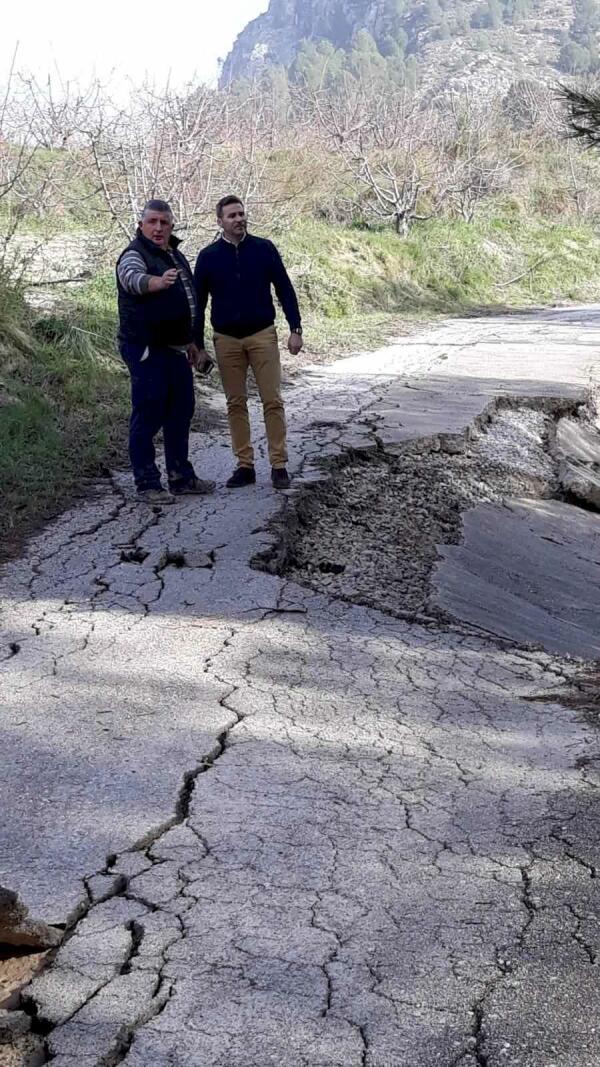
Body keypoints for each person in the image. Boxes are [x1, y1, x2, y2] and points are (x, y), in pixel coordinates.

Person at [193, 195, 303, 490]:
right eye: (232, 216)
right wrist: (198, 346)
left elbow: (284, 288)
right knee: (235, 403)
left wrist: (295, 327)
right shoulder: (208, 257)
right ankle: (245, 466)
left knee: (272, 400)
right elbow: (198, 303)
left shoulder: (264, 249)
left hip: (262, 335)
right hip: (226, 340)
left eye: (241, 214)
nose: (239, 219)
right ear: (220, 222)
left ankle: (278, 465)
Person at [116, 199, 216, 504]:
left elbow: (187, 303)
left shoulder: (174, 254)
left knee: (180, 412)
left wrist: (192, 344)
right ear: (141, 225)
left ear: (171, 225)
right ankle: (147, 483)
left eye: (164, 222)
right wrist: (155, 282)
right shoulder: (135, 254)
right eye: (152, 222)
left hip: (176, 348)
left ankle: (181, 477)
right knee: (148, 414)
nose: (158, 228)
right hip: (146, 348)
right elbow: (131, 279)